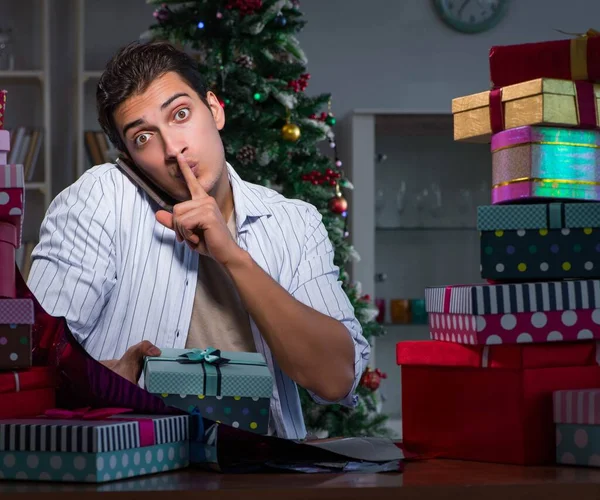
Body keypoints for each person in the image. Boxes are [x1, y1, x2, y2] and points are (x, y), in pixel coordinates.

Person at [27, 41, 369, 439]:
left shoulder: (294, 221)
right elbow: (31, 370)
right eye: (143, 138)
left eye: (181, 114)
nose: (174, 149)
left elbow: (334, 380)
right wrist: (106, 380)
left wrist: (233, 256)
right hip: (140, 474)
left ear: (215, 109)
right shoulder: (98, 201)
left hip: (268, 475)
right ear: (128, 158)